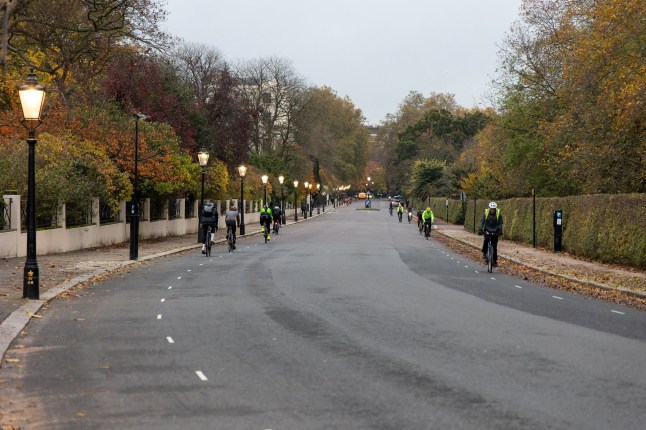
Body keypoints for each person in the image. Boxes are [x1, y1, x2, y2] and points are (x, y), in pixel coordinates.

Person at [479, 202, 503, 266]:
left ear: (495, 209)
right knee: (486, 241)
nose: (492, 210)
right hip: (487, 229)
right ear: (489, 208)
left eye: (493, 209)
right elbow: (482, 221)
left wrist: (500, 231)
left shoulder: (498, 213)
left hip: (495, 230)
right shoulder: (486, 212)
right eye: (491, 209)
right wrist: (480, 229)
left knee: (494, 246)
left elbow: (500, 223)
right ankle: (484, 253)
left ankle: (494, 261)